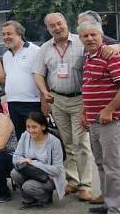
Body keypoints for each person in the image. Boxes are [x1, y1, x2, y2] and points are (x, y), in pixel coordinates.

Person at [34, 12, 96, 202]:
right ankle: (73, 180)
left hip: (80, 100)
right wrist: (44, 93)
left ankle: (86, 185)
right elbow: (38, 73)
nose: (57, 28)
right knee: (67, 142)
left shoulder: (82, 41)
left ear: (65, 23)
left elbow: (103, 48)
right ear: (48, 28)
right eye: (52, 26)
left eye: (59, 24)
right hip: (58, 101)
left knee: (81, 143)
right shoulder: (44, 48)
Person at [79, 20, 120, 214]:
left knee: (113, 167)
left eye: (93, 35)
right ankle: (108, 203)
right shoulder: (88, 57)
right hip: (94, 120)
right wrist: (84, 112)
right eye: (85, 36)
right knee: (101, 164)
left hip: (110, 121)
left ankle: (115, 208)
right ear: (80, 39)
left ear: (101, 36)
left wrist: (109, 109)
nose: (89, 38)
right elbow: (87, 87)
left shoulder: (110, 55)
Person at [12, 112, 66, 210]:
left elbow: (57, 170)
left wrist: (33, 163)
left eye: (34, 127)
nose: (30, 130)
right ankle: (28, 200)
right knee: (14, 173)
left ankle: (45, 198)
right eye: (28, 127)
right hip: (29, 171)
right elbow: (16, 157)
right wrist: (24, 162)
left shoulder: (54, 142)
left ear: (43, 127)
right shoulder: (25, 136)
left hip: (48, 177)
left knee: (28, 186)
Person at [1, 20, 42, 139]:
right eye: (3, 34)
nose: (6, 37)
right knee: (21, 138)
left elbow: (42, 77)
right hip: (13, 103)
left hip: (32, 103)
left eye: (9, 34)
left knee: (35, 137)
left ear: (19, 34)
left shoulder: (35, 51)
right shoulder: (6, 56)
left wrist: (44, 102)